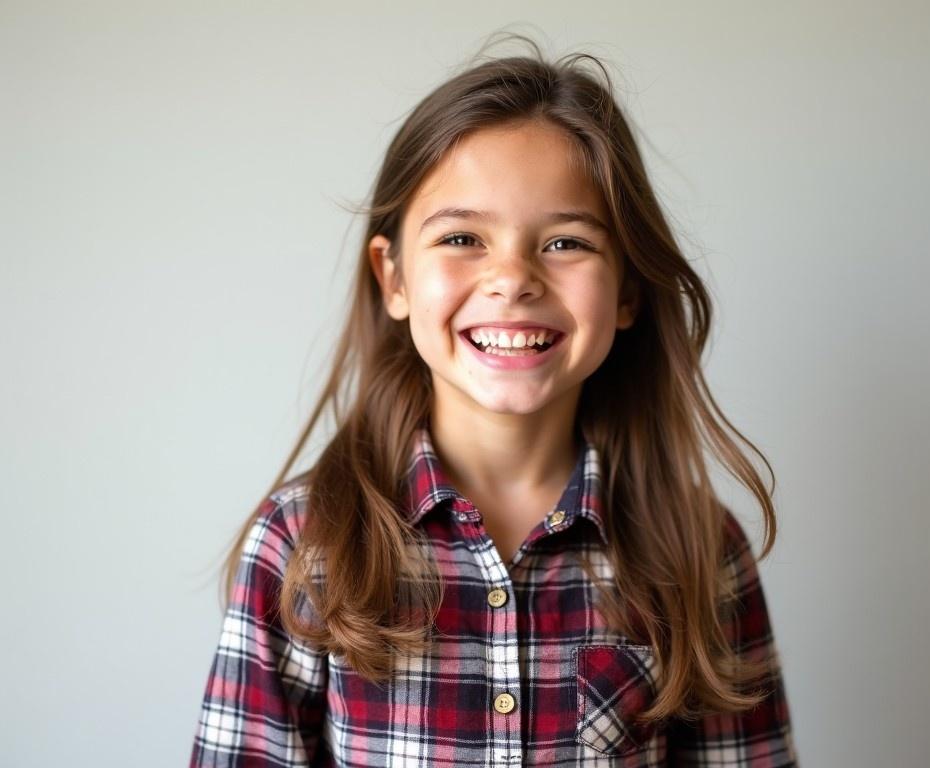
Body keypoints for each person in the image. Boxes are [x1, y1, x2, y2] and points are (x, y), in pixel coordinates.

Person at [190, 34, 799, 767]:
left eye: (567, 243)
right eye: (462, 237)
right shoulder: (302, 544)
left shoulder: (700, 551)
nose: (512, 279)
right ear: (394, 279)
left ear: (629, 288)